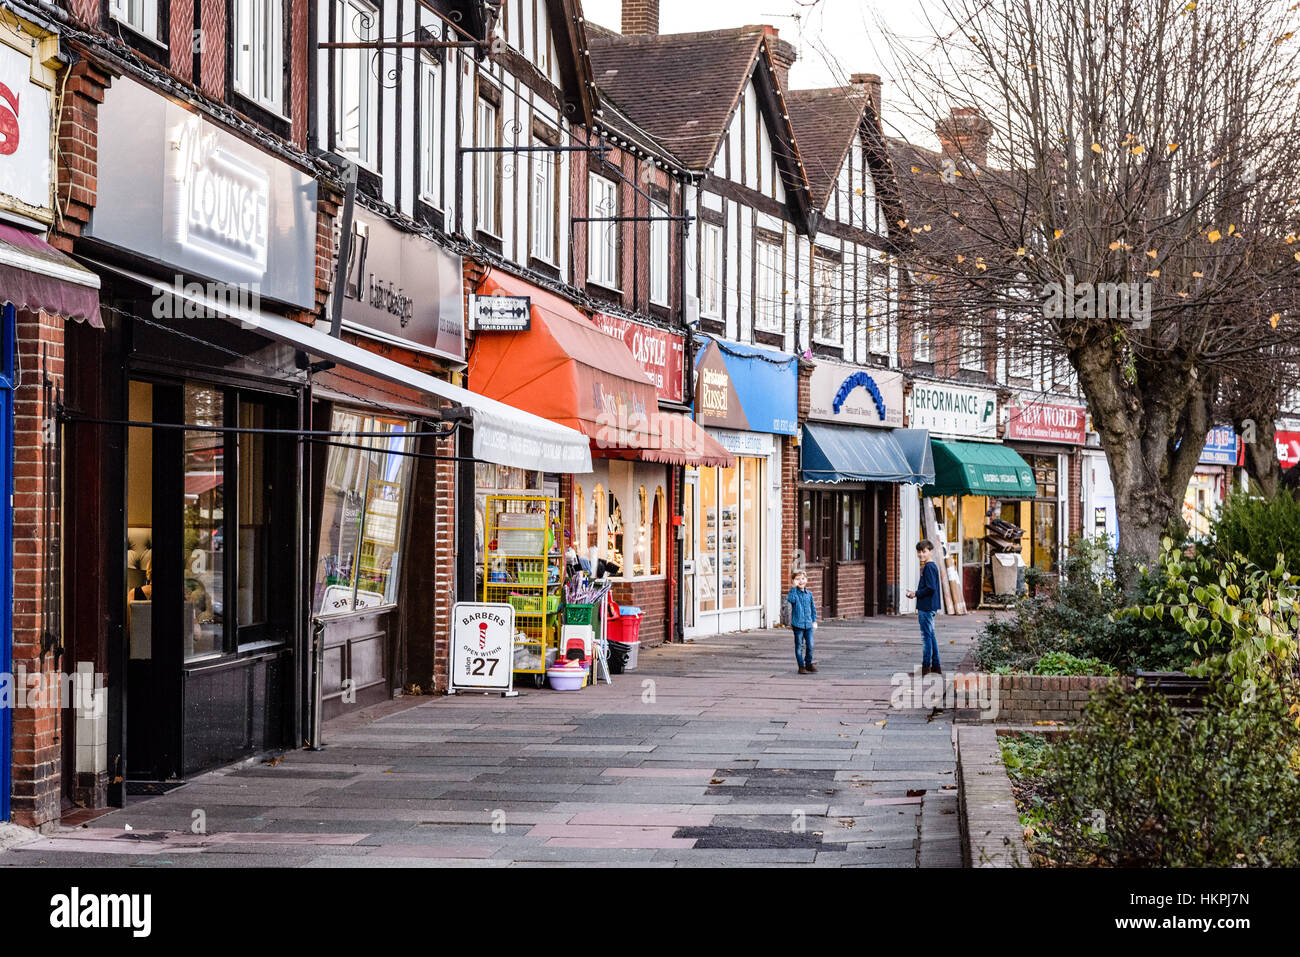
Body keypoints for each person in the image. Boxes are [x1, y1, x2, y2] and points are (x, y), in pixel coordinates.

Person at [906, 540, 943, 675]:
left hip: (926, 607)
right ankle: (936, 666)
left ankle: (926, 668)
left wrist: (915, 593)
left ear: (931, 552)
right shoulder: (930, 567)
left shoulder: (929, 567)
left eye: (924, 551)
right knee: (931, 636)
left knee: (926, 637)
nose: (921, 554)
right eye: (919, 552)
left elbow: (931, 588)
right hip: (929, 606)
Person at [786, 570, 818, 674]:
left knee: (810, 645)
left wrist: (814, 620)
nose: (801, 581)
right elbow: (791, 599)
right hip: (798, 625)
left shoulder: (809, 594)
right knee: (799, 646)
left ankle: (808, 663)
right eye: (797, 579)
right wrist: (793, 588)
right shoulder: (794, 593)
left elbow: (813, 608)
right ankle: (801, 666)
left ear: (806, 580)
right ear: (793, 581)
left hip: (808, 624)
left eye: (803, 578)